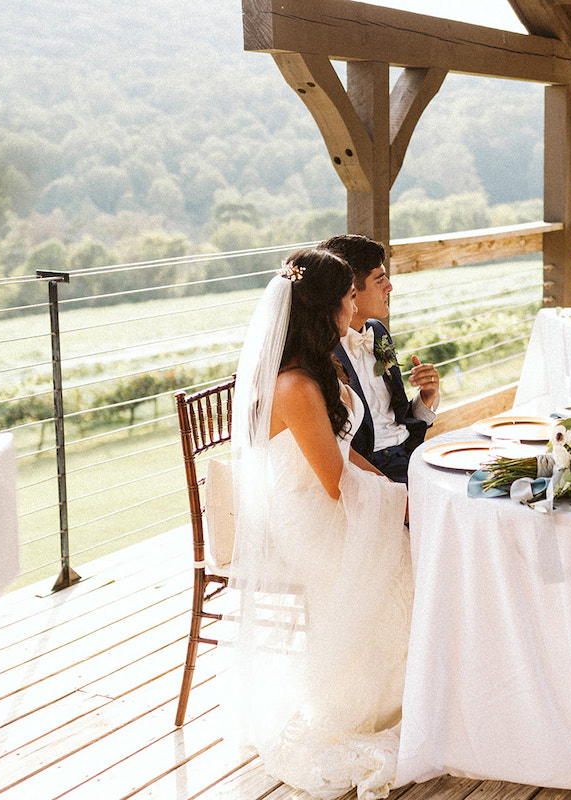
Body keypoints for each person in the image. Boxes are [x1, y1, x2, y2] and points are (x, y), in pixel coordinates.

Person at [224, 248, 414, 800]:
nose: (356, 304)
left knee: (404, 552)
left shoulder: (321, 365)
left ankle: (407, 697)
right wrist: (393, 505)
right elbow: (334, 483)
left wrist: (395, 493)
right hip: (309, 513)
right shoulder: (295, 386)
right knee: (398, 567)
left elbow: (343, 450)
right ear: (323, 308)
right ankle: (363, 710)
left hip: (330, 494)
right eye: (348, 296)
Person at [321, 234, 441, 483]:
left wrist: (427, 397)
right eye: (380, 279)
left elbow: (393, 419)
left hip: (409, 455)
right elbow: (337, 447)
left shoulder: (377, 332)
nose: (390, 286)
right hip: (371, 470)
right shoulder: (323, 354)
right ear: (351, 290)